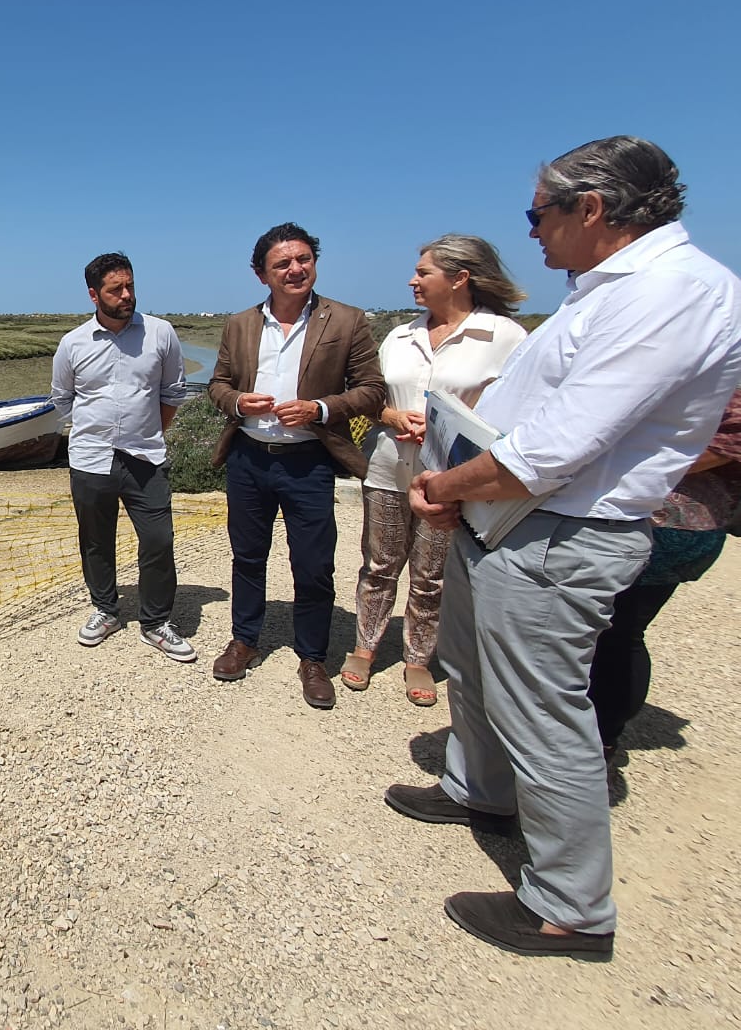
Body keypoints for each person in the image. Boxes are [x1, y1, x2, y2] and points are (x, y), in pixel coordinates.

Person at [387, 136, 741, 960]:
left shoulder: (671, 293)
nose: (532, 233)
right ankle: (480, 789)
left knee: (544, 715)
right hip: (508, 522)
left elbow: (553, 450)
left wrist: (444, 487)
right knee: (472, 670)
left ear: (590, 209)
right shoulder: (606, 290)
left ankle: (568, 908)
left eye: (536, 214)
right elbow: (529, 407)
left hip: (555, 534)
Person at [206, 223, 387, 707]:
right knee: (247, 556)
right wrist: (240, 402)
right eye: (282, 263)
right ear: (260, 274)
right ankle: (244, 640)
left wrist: (320, 409)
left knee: (312, 564)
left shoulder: (346, 320)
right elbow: (218, 385)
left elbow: (372, 390)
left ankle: (313, 657)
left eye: (304, 259)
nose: (295, 269)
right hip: (248, 457)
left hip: (308, 461)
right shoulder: (240, 324)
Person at [344, 236, 527, 705]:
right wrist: (391, 416)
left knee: (432, 573)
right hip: (389, 467)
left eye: (423, 272)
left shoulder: (504, 337)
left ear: (460, 278)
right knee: (379, 563)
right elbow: (374, 396)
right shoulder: (399, 336)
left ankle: (418, 658)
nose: (413, 280)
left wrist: (457, 428)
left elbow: (518, 411)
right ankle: (364, 647)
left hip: (455, 476)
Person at [50, 252, 193, 662]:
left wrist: (149, 430)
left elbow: (172, 393)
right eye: (116, 289)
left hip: (145, 457)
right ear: (95, 295)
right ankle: (106, 610)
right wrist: (92, 429)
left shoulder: (161, 334)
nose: (127, 295)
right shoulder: (73, 343)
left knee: (158, 539)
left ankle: (156, 623)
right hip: (91, 459)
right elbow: (63, 398)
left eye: (130, 286)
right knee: (96, 541)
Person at [590, 389, 741, 756]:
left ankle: (602, 736)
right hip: (646, 516)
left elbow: (723, 444)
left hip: (672, 526)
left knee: (617, 630)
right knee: (606, 628)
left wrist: (623, 461)